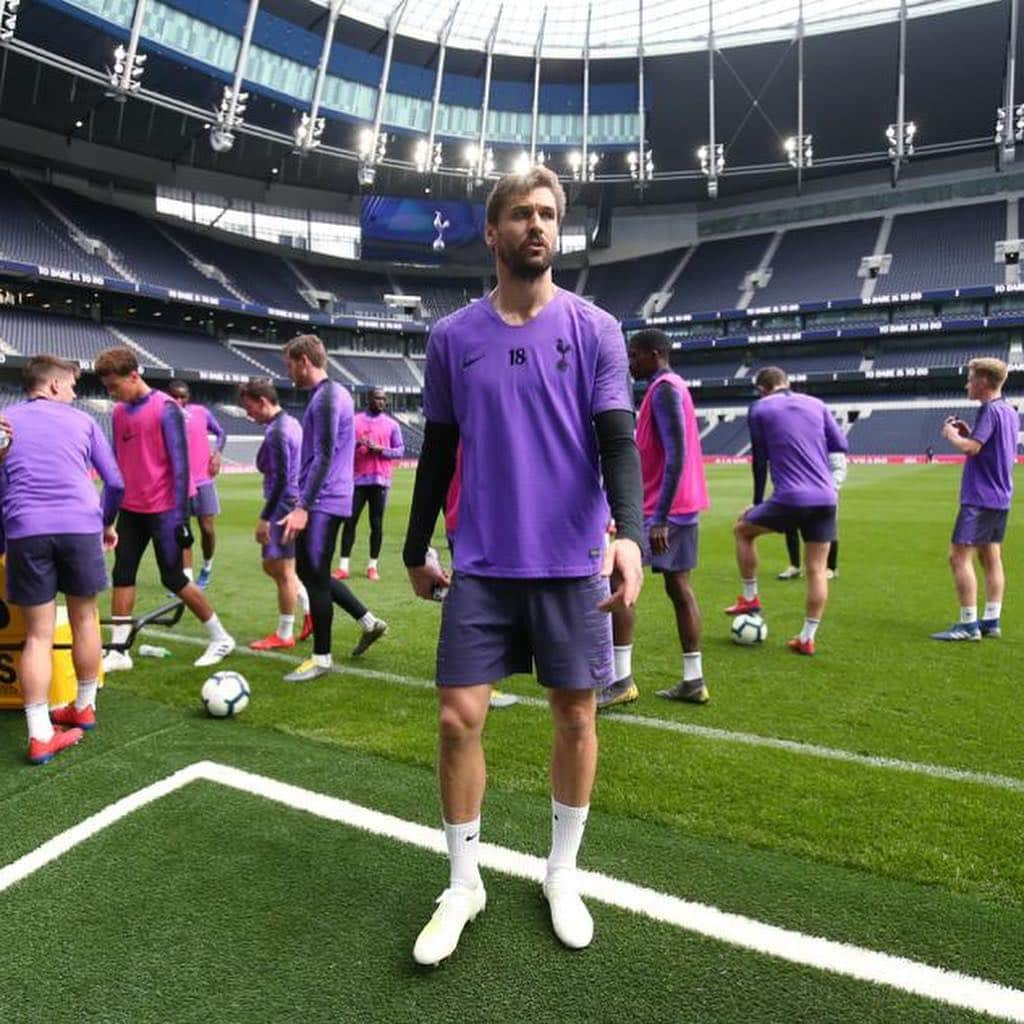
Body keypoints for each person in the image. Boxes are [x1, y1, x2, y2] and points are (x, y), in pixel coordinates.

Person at [402, 166, 644, 965]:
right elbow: (438, 450)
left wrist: (630, 535)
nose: (535, 225)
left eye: (547, 214)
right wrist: (412, 548)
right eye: (519, 214)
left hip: (573, 562)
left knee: (577, 716)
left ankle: (562, 871)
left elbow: (616, 441)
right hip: (481, 562)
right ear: (492, 231)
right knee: (455, 719)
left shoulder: (596, 330)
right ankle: (463, 882)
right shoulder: (452, 339)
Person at [0, 356, 122, 764]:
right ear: (52, 385)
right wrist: (105, 523)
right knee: (85, 617)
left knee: (38, 633)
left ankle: (39, 734)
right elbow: (116, 482)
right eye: (71, 384)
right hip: (80, 526)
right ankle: (84, 706)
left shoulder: (4, 422)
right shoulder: (85, 422)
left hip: (25, 530)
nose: (74, 392)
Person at [94, 347, 236, 671]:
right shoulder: (118, 413)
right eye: (107, 388)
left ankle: (220, 637)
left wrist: (182, 518)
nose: (111, 393)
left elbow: (181, 467)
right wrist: (110, 517)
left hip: (165, 508)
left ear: (134, 376)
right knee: (122, 574)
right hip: (131, 508)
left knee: (173, 578)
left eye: (115, 386)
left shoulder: (166, 409)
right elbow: (117, 467)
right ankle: (119, 650)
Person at [599, 328, 710, 709]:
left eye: (635, 355)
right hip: (683, 506)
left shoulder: (663, 389)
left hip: (662, 508)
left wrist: (660, 516)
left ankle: (621, 679)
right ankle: (693, 680)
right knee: (679, 588)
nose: (631, 362)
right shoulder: (672, 387)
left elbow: (676, 452)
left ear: (655, 353)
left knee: (620, 578)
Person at [277, 335, 388, 682]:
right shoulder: (333, 395)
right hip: (329, 497)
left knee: (313, 576)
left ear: (304, 361)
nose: (289, 371)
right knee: (315, 574)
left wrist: (304, 506)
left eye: (290, 364)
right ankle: (368, 622)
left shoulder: (326, 399)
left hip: (324, 500)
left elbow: (324, 454)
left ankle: (322, 658)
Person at [727, 367, 848, 655]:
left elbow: (759, 461)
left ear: (762, 389)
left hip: (791, 496)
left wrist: (756, 502)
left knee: (743, 531)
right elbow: (840, 444)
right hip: (826, 496)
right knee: (817, 569)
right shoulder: (816, 404)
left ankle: (750, 597)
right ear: (787, 382)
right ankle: (807, 638)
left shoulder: (760, 408)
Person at [931, 358, 1017, 641]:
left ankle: (968, 625)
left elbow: (972, 449)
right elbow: (987, 444)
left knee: (958, 557)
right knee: (991, 557)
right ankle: (991, 619)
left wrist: (952, 435)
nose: (967, 384)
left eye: (970, 379)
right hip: (1001, 496)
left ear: (982, 382)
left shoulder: (989, 410)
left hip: (979, 497)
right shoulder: (1008, 410)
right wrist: (969, 435)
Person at [238, 378, 313, 650]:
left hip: (282, 504)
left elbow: (281, 478)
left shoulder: (278, 432)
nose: (248, 414)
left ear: (263, 401)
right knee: (277, 567)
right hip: (289, 500)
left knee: (281, 570)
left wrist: (264, 518)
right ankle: (308, 609)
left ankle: (284, 633)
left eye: (250, 408)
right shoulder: (290, 423)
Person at [334, 387, 405, 582]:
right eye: (377, 398)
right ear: (368, 399)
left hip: (380, 481)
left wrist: (380, 450)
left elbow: (399, 451)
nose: (381, 402)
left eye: (383, 399)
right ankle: (343, 567)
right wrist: (357, 445)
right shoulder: (354, 421)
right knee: (350, 522)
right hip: (357, 480)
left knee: (377, 524)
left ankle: (372, 566)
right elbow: (340, 446)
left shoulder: (392, 425)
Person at [167, 380, 225, 589]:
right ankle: (187, 580)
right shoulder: (164, 416)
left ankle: (207, 568)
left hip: (203, 481)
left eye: (183, 396)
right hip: (179, 483)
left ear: (188, 397)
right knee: (183, 532)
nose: (179, 400)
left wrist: (217, 453)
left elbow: (221, 433)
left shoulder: (201, 412)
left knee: (207, 529)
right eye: (175, 396)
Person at [779, 451, 846, 581]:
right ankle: (795, 566)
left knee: (827, 527)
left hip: (824, 491)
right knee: (790, 524)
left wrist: (829, 487)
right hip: (799, 488)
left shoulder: (830, 437)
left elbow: (839, 468)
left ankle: (831, 568)